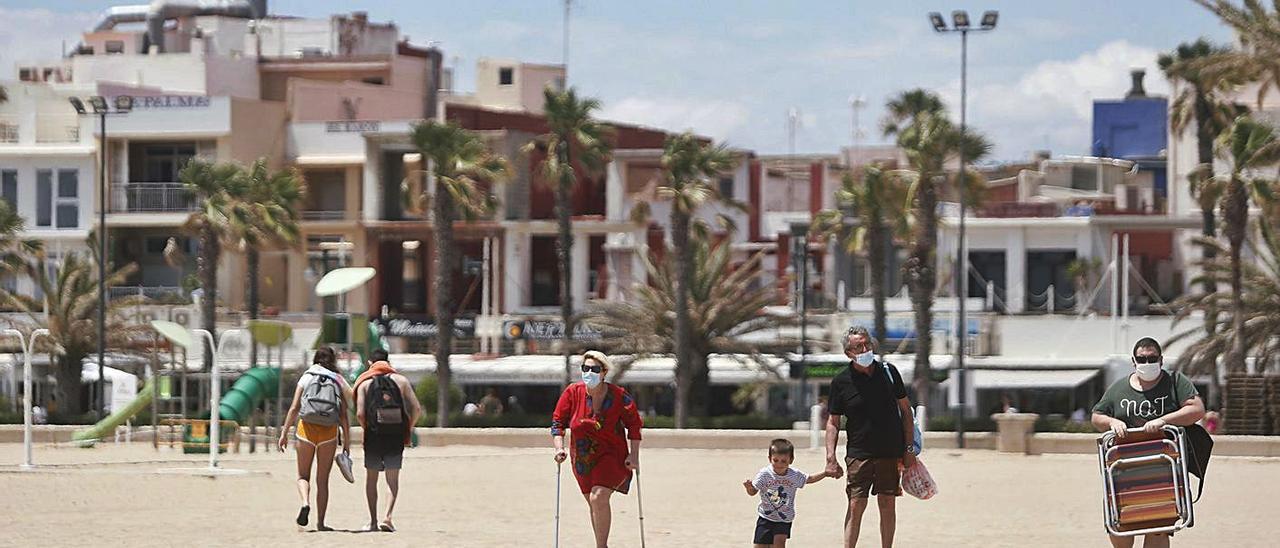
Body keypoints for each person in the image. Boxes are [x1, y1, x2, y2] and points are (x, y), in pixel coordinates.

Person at [1092, 337, 1205, 548]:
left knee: (1159, 527)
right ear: (1133, 361)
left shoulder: (1175, 382)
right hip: (1124, 471)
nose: (1147, 362)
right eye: (1141, 359)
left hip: (1164, 469)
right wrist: (1112, 421)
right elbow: (1097, 416)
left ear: (1161, 360)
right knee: (1120, 523)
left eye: (1152, 358)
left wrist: (1164, 420)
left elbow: (1196, 409)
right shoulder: (1119, 389)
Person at [824, 326, 917, 548]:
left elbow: (906, 412)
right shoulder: (841, 382)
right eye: (858, 346)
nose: (865, 349)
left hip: (890, 452)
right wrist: (830, 457)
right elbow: (833, 422)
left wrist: (909, 450)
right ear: (848, 353)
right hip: (859, 454)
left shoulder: (889, 372)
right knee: (856, 504)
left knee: (887, 503)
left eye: (867, 344)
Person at [550, 350, 643, 548]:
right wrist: (559, 448)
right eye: (585, 368)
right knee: (594, 502)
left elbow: (634, 424)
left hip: (612, 454)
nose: (589, 373)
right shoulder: (572, 393)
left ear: (604, 372)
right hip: (582, 458)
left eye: (594, 369)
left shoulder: (619, 396)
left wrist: (634, 455)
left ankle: (601, 546)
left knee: (598, 496)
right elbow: (558, 422)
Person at [278, 347, 352, 531]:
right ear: (333, 360)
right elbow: (344, 414)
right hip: (328, 432)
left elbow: (295, 408)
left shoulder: (307, 376)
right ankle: (320, 523)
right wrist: (347, 442)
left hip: (306, 431)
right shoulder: (337, 379)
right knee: (323, 480)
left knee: (303, 476)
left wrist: (284, 433)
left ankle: (305, 502)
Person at [354, 348, 421, 533]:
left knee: (371, 479)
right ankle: (388, 517)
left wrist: (367, 427)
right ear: (388, 362)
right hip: (395, 435)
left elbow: (359, 413)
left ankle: (373, 521)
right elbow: (416, 408)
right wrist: (409, 428)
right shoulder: (401, 381)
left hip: (373, 436)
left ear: (370, 364)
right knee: (392, 479)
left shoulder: (364, 383)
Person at [743, 438, 832, 547]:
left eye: (783, 461)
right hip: (765, 517)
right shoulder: (764, 474)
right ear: (769, 458)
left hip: (784, 518)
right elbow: (753, 492)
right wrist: (748, 487)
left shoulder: (794, 475)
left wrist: (825, 473)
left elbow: (810, 479)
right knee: (760, 546)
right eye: (775, 460)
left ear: (791, 460)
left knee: (779, 544)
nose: (779, 464)